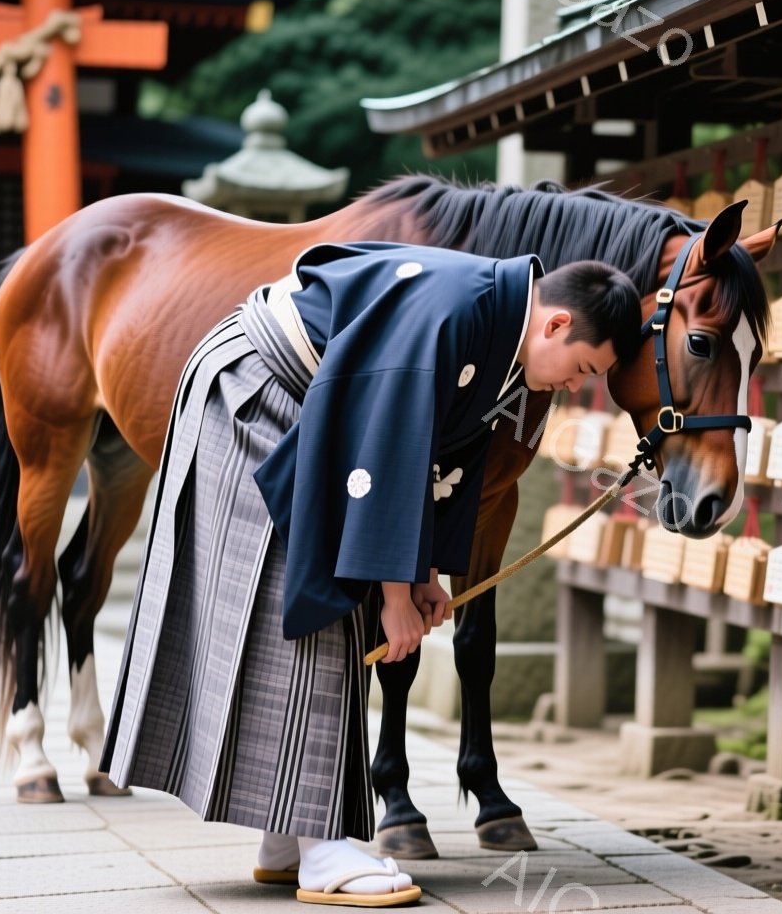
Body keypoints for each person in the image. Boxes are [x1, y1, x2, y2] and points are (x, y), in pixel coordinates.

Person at [98, 241, 642, 906]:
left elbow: (446, 459)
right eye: (582, 368)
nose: (575, 386)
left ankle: (286, 835)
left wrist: (424, 574)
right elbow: (391, 445)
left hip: (309, 402)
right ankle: (321, 847)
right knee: (316, 602)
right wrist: (394, 594)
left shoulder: (502, 334)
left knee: (316, 600)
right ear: (556, 323)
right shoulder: (459, 309)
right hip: (259, 388)